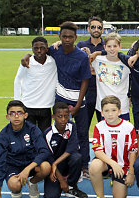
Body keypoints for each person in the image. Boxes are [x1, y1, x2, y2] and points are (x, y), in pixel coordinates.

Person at [21, 22, 92, 178]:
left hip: (78, 101)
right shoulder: (55, 50)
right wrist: (26, 55)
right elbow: (39, 53)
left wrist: (78, 104)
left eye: (70, 37)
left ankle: (84, 166)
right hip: (60, 100)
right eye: (64, 36)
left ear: (75, 37)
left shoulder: (81, 56)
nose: (67, 39)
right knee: (59, 133)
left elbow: (85, 80)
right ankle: (58, 164)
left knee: (82, 134)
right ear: (59, 37)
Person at [0, 100, 51, 198]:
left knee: (46, 167)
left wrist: (27, 169)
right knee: (14, 185)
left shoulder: (33, 129)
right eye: (12, 113)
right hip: (13, 166)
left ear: (25, 115)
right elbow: (0, 163)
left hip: (31, 164)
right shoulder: (4, 135)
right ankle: (17, 188)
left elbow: (44, 151)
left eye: (19, 113)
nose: (16, 116)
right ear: (7, 116)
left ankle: (32, 182)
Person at [87, 96, 138, 198]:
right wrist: (113, 164)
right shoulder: (99, 127)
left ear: (120, 111)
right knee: (94, 166)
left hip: (122, 165)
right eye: (106, 111)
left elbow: (133, 151)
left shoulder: (128, 127)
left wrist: (131, 172)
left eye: (113, 110)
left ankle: (115, 178)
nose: (110, 114)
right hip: (106, 162)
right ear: (102, 113)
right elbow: (97, 151)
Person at [43, 102, 88, 198]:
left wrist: (56, 162)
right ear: (53, 117)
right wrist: (61, 180)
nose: (63, 119)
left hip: (66, 163)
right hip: (53, 169)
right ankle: (61, 182)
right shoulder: (48, 134)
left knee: (77, 157)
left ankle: (71, 185)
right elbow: (49, 159)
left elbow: (72, 148)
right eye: (59, 116)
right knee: (51, 197)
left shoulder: (72, 126)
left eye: (66, 116)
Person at [14, 37, 57, 133]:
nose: (39, 51)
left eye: (42, 48)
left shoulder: (53, 61)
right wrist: (17, 102)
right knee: (28, 137)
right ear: (32, 49)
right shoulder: (27, 62)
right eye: (35, 48)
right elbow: (18, 79)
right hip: (28, 106)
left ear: (47, 49)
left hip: (46, 107)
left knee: (44, 137)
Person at [91, 32, 130, 121]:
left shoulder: (126, 63)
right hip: (104, 109)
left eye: (115, 46)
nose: (112, 49)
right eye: (109, 46)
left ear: (120, 47)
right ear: (104, 47)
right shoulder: (97, 60)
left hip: (121, 108)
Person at [77, 16, 105, 129]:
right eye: (93, 27)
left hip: (103, 91)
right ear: (88, 29)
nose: (96, 29)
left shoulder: (108, 46)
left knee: (104, 126)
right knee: (83, 126)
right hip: (86, 90)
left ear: (103, 30)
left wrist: (98, 53)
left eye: (99, 27)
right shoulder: (80, 45)